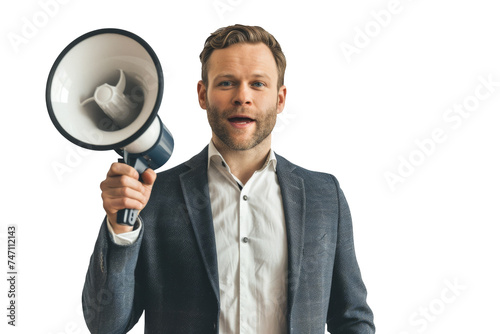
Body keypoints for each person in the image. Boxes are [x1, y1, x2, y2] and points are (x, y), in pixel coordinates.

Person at [82, 24, 375, 334]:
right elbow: (105, 325)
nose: (242, 97)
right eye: (226, 83)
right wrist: (121, 228)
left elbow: (352, 319)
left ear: (280, 99)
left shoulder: (324, 196)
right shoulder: (153, 195)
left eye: (258, 84)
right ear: (202, 94)